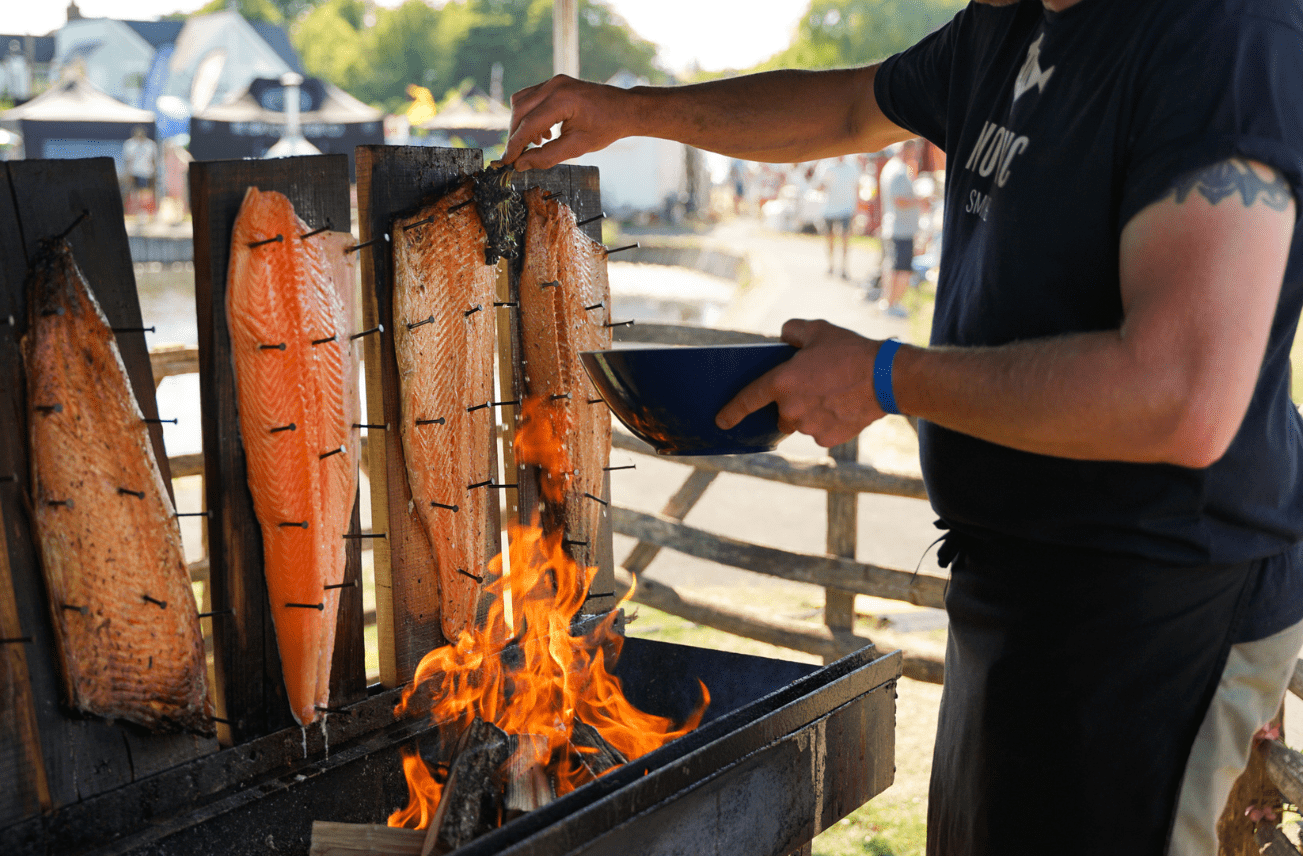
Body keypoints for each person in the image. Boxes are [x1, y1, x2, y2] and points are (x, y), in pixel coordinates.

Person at [501, 1, 1303, 854]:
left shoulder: (1227, 36)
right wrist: (630, 113)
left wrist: (887, 376)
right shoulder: (1002, 24)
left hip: (1159, 607)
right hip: (1017, 586)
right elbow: (846, 109)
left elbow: (1180, 396)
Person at [878, 139, 920, 317]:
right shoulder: (899, 171)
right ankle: (892, 303)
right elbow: (899, 200)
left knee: (892, 266)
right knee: (901, 269)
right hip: (900, 228)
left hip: (894, 226)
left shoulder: (891, 168)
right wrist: (921, 200)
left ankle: (888, 302)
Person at [816, 155, 860, 279]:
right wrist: (824, 182)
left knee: (845, 238)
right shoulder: (825, 165)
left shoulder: (852, 166)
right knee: (830, 238)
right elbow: (819, 187)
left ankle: (844, 267)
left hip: (846, 208)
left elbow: (857, 186)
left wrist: (857, 208)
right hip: (829, 209)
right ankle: (831, 265)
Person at [121, 126, 158, 218]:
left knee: (145, 193)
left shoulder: (150, 145)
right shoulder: (130, 144)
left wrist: (154, 173)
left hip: (146, 172)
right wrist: (127, 173)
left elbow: (153, 160)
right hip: (134, 172)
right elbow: (128, 160)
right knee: (133, 193)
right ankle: (134, 211)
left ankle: (144, 212)